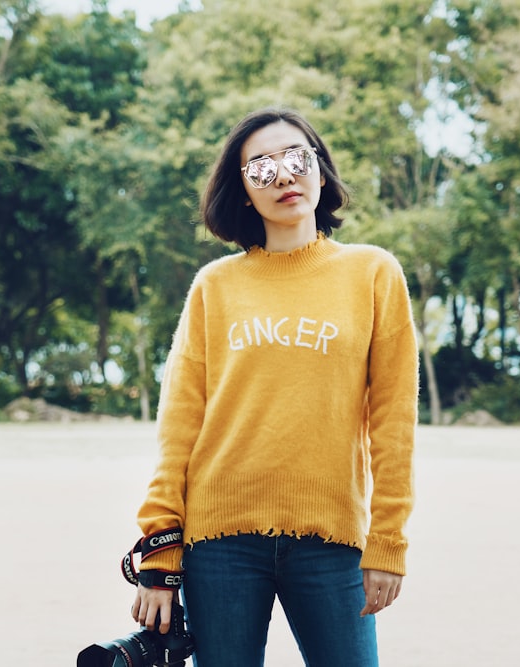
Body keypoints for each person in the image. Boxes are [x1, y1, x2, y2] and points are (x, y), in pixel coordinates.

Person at [130, 107, 418, 666]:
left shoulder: (373, 274)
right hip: (220, 545)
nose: (284, 175)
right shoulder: (214, 285)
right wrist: (160, 548)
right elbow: (180, 423)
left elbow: (393, 421)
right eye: (261, 167)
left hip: (332, 541)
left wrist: (389, 537)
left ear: (321, 170)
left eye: (296, 157)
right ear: (242, 192)